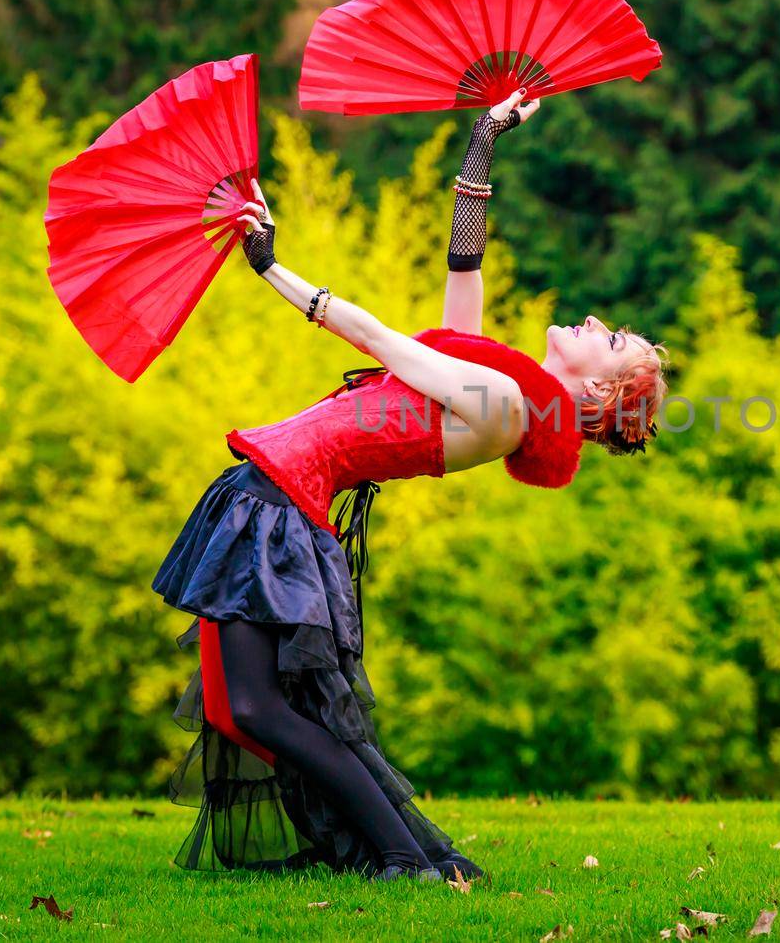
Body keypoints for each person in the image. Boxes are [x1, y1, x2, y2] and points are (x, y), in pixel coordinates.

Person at [152, 87, 670, 881]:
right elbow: (465, 264)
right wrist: (483, 143)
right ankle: (378, 847)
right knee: (231, 707)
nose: (597, 323)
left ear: (598, 394)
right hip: (266, 491)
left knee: (258, 705)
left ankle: (401, 855)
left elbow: (383, 341)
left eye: (614, 340)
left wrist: (272, 271)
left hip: (282, 507)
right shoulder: (497, 381)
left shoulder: (504, 408)